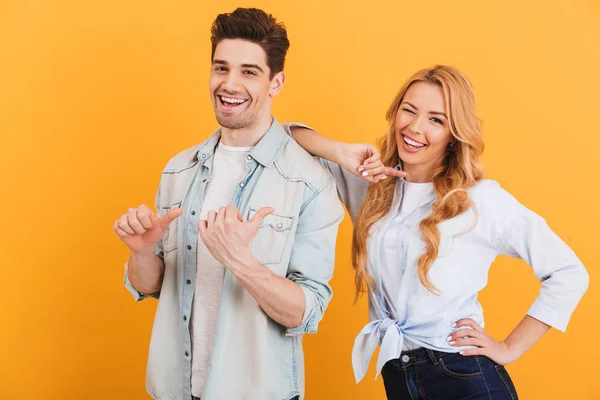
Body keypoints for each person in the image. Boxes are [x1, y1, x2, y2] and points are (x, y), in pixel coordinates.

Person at [287, 65, 589, 399]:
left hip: (462, 376)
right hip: (399, 374)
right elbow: (285, 137)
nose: (415, 127)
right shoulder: (370, 187)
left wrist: (508, 348)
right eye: (409, 110)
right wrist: (341, 152)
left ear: (453, 134)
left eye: (436, 119)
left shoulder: (480, 200)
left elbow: (569, 273)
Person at [112, 8, 344, 400]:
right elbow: (148, 286)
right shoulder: (179, 169)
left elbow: (305, 311)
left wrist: (240, 261)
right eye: (221, 68)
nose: (229, 84)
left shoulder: (310, 181)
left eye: (249, 72)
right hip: (174, 388)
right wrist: (142, 251)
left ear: (276, 82)